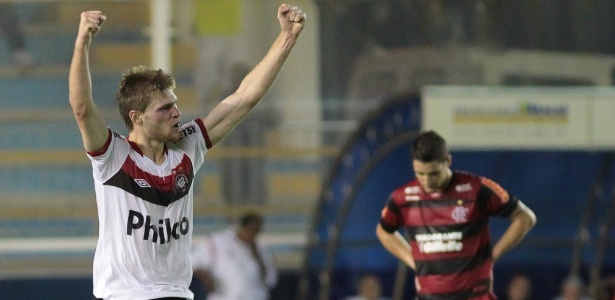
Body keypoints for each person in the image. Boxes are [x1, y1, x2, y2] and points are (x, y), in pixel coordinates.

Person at [68, 4, 305, 299]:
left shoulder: (187, 146)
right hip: (127, 294)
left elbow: (244, 99)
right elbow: (81, 109)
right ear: (136, 117)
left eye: (175, 104)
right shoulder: (113, 157)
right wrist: (82, 42)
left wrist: (287, 38)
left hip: (177, 294)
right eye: (165, 108)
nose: (177, 112)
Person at [376, 130, 537, 299]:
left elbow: (525, 217)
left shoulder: (476, 189)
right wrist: (413, 260)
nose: (427, 181)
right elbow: (384, 231)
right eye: (420, 174)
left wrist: (492, 256)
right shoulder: (403, 198)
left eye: (433, 173)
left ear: (448, 161)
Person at [191, 212, 277, 300]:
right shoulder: (218, 242)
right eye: (251, 229)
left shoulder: (260, 248)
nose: (253, 233)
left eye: (256, 230)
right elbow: (193, 263)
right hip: (225, 296)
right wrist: (207, 279)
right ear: (243, 227)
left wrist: (256, 256)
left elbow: (270, 280)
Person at [0, 3, 35, 68]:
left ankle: (23, 59)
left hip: (16, 42)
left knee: (18, 48)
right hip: (15, 42)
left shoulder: (7, 14)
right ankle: (22, 59)